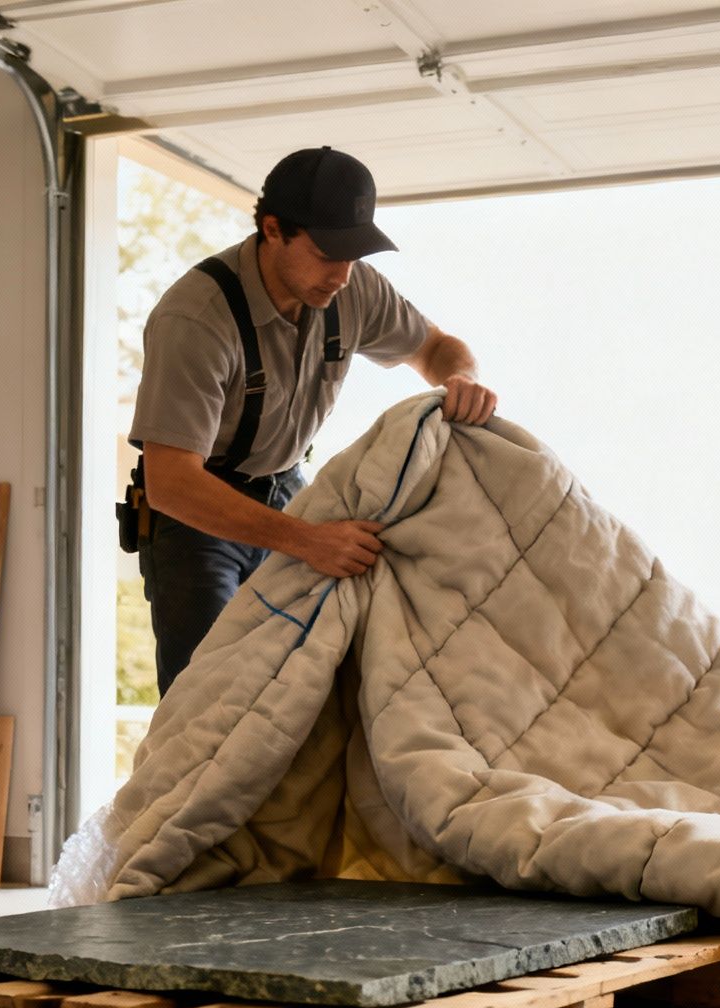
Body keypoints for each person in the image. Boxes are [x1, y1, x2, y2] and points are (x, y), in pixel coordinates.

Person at [127, 145, 496, 693]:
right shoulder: (196, 318)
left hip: (289, 491)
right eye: (328, 253)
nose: (344, 275)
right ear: (273, 230)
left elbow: (438, 347)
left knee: (304, 691)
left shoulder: (354, 288)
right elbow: (172, 483)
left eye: (355, 254)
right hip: (200, 517)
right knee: (205, 702)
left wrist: (460, 378)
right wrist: (307, 541)